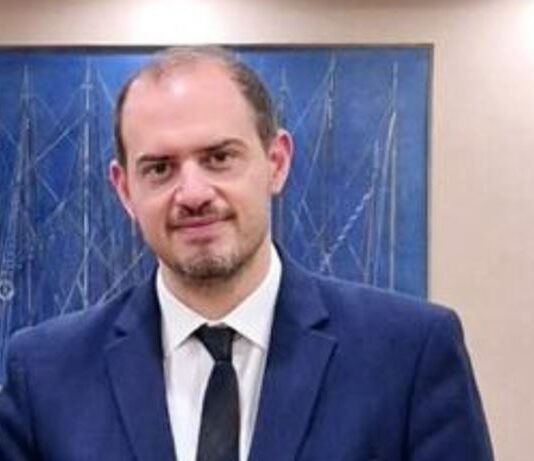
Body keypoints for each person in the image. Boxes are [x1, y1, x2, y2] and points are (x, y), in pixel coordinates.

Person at [0, 46, 493, 461]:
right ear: (125, 189)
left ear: (276, 162)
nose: (193, 193)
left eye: (219, 158)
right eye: (160, 169)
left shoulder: (409, 353)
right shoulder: (43, 372)